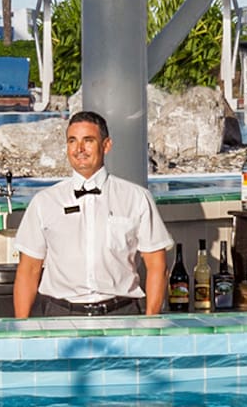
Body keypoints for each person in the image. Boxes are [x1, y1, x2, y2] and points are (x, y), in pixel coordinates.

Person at [12, 111, 172, 318]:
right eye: (72, 141)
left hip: (122, 315)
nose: (79, 149)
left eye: (88, 141)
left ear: (106, 145)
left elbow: (157, 263)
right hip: (59, 316)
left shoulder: (137, 198)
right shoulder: (44, 202)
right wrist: (21, 330)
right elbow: (29, 270)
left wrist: (151, 321)